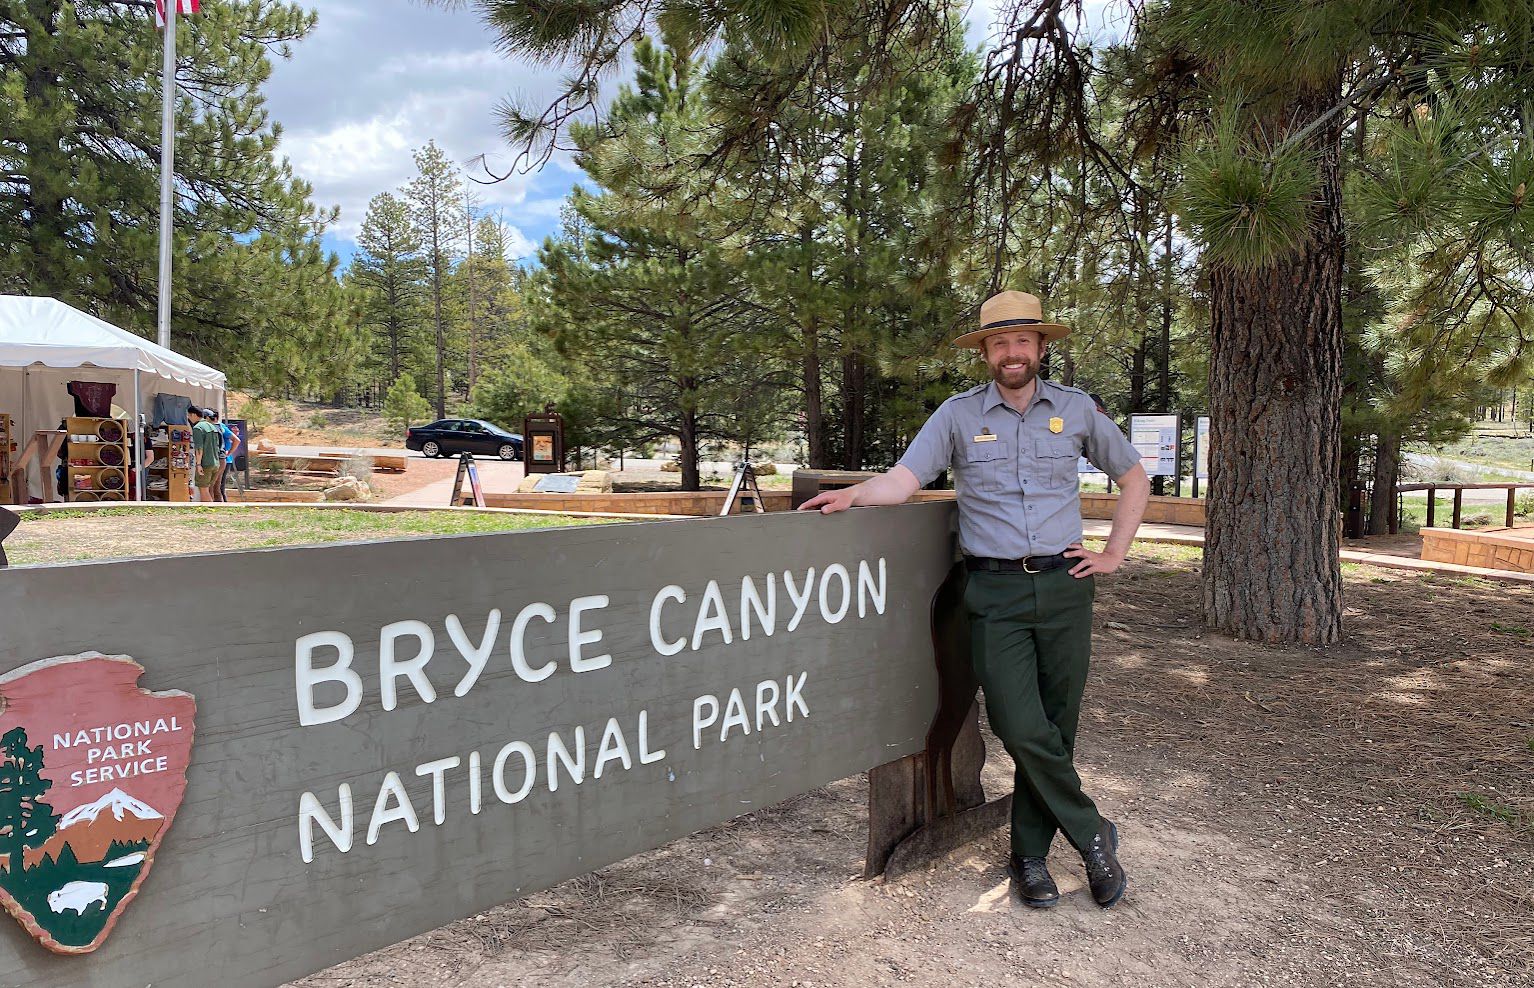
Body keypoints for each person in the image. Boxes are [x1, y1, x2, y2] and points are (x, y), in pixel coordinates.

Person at [798, 290, 1151, 910]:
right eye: (998, 343)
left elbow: (1133, 477)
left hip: (1066, 586)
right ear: (985, 353)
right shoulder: (957, 417)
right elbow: (906, 480)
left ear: (1040, 347)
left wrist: (1114, 552)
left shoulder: (1076, 410)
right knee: (1019, 724)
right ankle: (1093, 832)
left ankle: (1031, 855)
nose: (1011, 353)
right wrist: (852, 496)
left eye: (1021, 341)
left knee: (1056, 729)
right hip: (994, 592)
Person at [187, 407, 221, 502]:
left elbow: (199, 449)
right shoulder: (212, 426)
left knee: (203, 490)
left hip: (205, 463)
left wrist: (198, 464)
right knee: (208, 490)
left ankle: (208, 512)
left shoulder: (198, 428)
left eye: (189, 415)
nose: (189, 418)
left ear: (193, 415)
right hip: (215, 462)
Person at [210, 410, 235, 502]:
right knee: (217, 485)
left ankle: (223, 504)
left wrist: (229, 452)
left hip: (224, 459)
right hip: (221, 459)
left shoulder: (221, 427)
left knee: (219, 486)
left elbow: (236, 440)